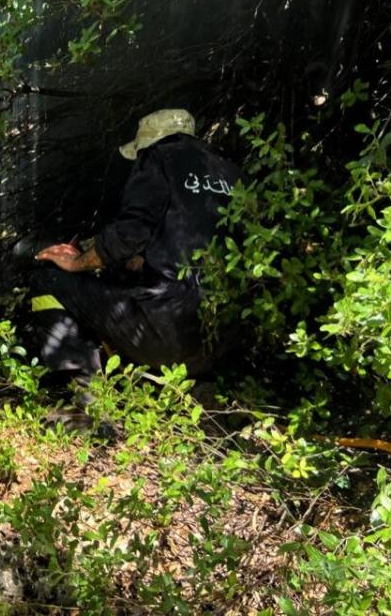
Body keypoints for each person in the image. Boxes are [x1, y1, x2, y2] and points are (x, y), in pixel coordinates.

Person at [28, 109, 242, 419]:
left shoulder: (159, 158)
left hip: (171, 331)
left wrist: (77, 262)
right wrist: (138, 262)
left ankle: (89, 410)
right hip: (224, 339)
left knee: (48, 282)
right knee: (126, 280)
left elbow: (130, 232)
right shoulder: (230, 173)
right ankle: (188, 389)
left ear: (149, 143)